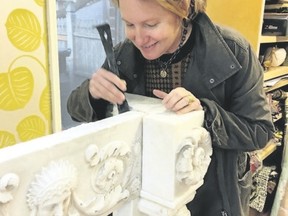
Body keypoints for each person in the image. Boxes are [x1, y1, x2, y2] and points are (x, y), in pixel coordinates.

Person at [67, 0, 275, 215]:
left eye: (150, 25)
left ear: (183, 10)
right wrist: (93, 94)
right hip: (143, 196)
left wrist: (205, 113)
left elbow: (259, 131)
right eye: (129, 25)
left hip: (211, 199)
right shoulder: (123, 56)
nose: (138, 38)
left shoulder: (233, 51)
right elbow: (74, 109)